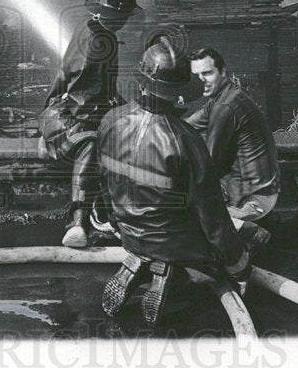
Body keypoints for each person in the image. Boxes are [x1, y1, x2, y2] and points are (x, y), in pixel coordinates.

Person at [98, 39, 251, 327]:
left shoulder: (110, 120)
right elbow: (212, 215)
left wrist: (117, 224)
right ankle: (167, 274)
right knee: (254, 239)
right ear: (178, 92)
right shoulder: (185, 139)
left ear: (142, 83)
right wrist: (239, 264)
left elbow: (105, 186)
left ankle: (139, 264)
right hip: (174, 244)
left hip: (128, 233)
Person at [39, 0, 142, 248]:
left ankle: (108, 213)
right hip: (66, 113)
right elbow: (83, 96)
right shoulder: (97, 40)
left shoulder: (97, 31)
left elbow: (102, 91)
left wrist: (130, 109)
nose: (125, 21)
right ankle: (79, 222)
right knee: (92, 142)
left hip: (72, 108)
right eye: (123, 16)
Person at [184, 46, 281, 248]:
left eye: (208, 73)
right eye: (196, 75)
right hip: (263, 189)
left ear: (223, 72)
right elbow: (186, 126)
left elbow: (209, 166)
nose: (201, 80)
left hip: (254, 200)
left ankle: (247, 232)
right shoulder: (228, 95)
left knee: (179, 214)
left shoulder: (224, 107)